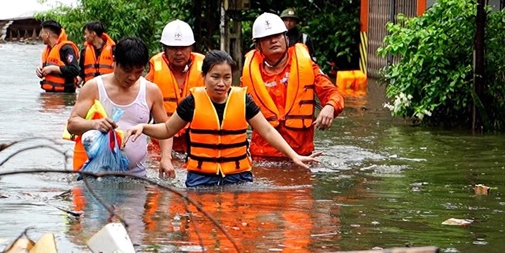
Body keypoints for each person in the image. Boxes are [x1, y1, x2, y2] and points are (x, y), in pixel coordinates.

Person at [125, 50, 320, 187]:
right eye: (215, 76)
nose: (221, 83)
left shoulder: (243, 100)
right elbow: (168, 130)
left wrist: (293, 155)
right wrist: (144, 127)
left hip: (238, 176)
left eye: (227, 77)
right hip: (200, 178)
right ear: (204, 76)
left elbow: (268, 131)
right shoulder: (192, 102)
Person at [66, 36, 174, 178]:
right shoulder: (94, 87)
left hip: (136, 176)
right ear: (114, 62)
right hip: (97, 175)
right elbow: (72, 124)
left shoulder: (150, 91)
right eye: (127, 70)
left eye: (138, 71)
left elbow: (165, 129)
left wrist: (166, 158)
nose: (132, 77)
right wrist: (94, 124)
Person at [241, 12, 344, 158]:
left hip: (303, 155)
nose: (273, 41)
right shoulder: (250, 75)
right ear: (258, 46)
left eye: (277, 36)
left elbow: (334, 93)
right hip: (263, 157)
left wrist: (330, 107)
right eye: (267, 38)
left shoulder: (307, 67)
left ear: (286, 38)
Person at [145, 20, 205, 152]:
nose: (179, 53)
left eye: (183, 48)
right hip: (160, 143)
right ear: (164, 49)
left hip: (196, 143)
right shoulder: (154, 72)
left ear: (191, 48)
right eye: (173, 48)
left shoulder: (207, 70)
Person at [36, 20, 80, 93]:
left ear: (47, 34)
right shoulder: (48, 50)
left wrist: (54, 69)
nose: (40, 35)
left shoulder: (66, 48)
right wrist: (40, 69)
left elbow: (75, 70)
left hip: (65, 96)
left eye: (42, 32)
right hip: (49, 94)